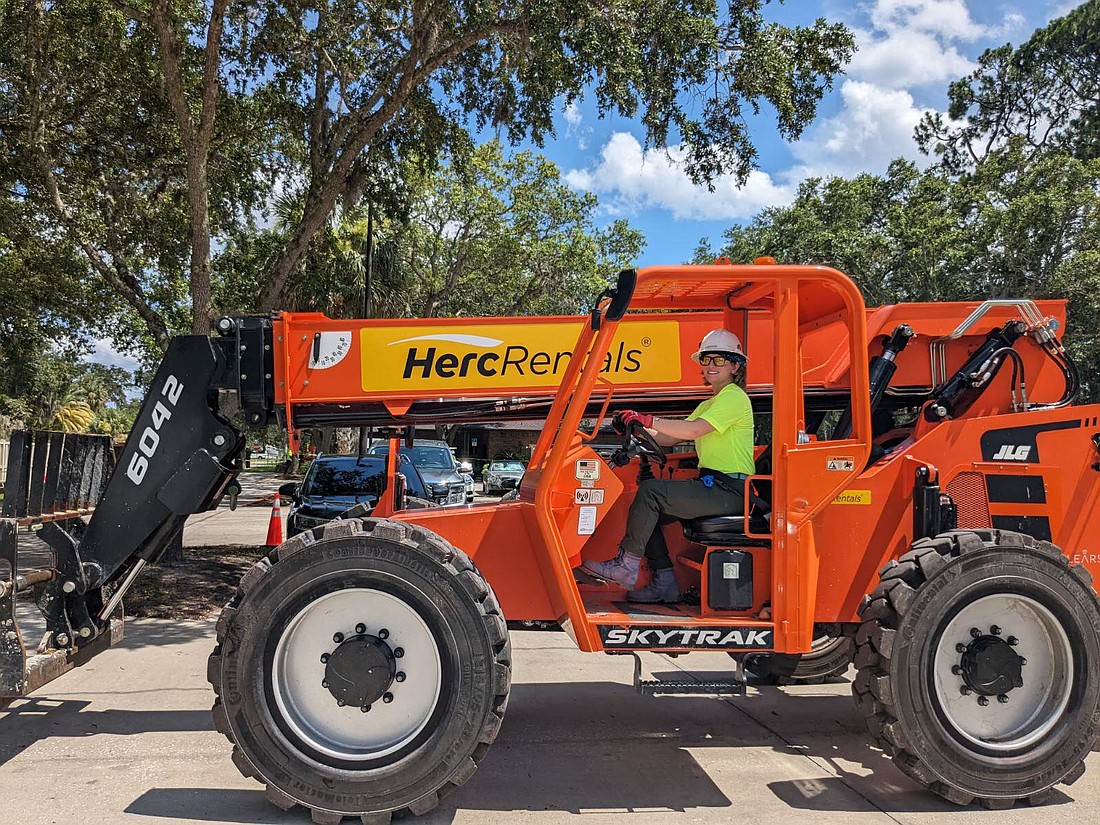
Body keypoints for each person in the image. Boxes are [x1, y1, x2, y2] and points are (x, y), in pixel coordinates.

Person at [581, 329, 755, 603]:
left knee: (651, 494)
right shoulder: (712, 402)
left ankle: (626, 567)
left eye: (719, 360)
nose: (710, 365)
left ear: (735, 365)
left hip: (730, 490)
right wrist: (634, 427)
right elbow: (672, 436)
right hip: (715, 485)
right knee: (647, 510)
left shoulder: (734, 397)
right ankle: (665, 582)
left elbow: (694, 430)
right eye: (706, 359)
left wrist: (648, 420)